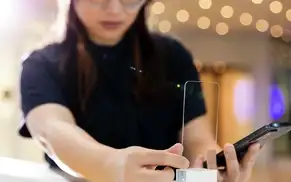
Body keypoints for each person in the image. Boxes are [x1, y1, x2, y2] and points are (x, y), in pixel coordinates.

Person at [19, 0, 261, 182]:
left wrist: (213, 168)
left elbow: (196, 137)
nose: (114, 8)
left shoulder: (173, 56)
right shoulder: (41, 65)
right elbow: (53, 131)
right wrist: (111, 165)